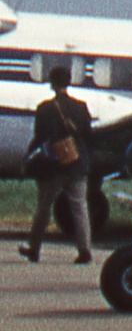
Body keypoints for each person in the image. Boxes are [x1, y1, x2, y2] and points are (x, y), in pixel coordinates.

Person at [20, 65, 92, 264]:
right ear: (68, 82)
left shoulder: (45, 108)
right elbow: (88, 134)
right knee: (80, 207)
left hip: (54, 165)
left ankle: (34, 249)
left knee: (44, 207)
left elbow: (40, 137)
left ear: (52, 83)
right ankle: (84, 249)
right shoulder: (81, 107)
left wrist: (27, 159)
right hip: (77, 163)